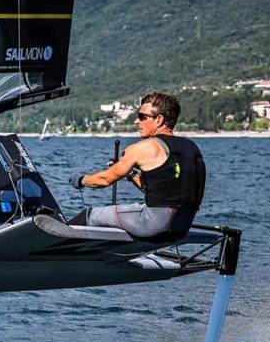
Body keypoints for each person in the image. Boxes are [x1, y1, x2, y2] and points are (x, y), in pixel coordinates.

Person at [69, 91, 205, 239]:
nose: (136, 121)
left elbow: (104, 180)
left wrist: (81, 180)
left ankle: (54, 250)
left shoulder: (144, 147)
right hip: (181, 227)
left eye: (142, 117)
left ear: (159, 119)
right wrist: (131, 174)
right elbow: (161, 192)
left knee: (91, 215)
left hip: (153, 225)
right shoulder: (192, 148)